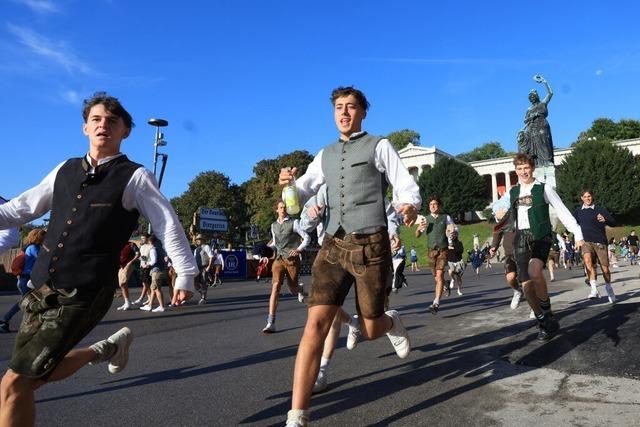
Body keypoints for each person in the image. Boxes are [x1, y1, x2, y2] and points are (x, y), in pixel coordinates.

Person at [0, 92, 197, 426]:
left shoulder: (135, 177)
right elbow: (22, 208)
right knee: (25, 381)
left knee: (15, 384)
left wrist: (186, 272)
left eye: (112, 120)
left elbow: (167, 225)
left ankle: (103, 349)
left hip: (85, 291)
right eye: (96, 119)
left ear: (125, 132)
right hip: (41, 287)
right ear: (85, 128)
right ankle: (104, 350)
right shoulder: (64, 170)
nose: (103, 124)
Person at [279, 86, 420, 426]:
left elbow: (404, 184)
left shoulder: (379, 145)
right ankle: (297, 415)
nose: (344, 113)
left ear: (362, 112)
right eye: (339, 107)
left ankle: (390, 321)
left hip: (371, 245)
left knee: (371, 330)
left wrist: (409, 204)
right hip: (332, 245)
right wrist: (288, 184)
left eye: (351, 107)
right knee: (314, 324)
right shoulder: (323, 154)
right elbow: (303, 191)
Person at [491, 153, 584, 342]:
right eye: (519, 168)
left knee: (535, 271)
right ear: (515, 170)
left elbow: (562, 210)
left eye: (526, 167)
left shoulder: (544, 188)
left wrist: (578, 233)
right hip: (520, 238)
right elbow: (498, 207)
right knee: (526, 286)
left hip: (540, 235)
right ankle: (543, 321)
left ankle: (547, 311)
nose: (523, 171)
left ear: (532, 168)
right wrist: (498, 211)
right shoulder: (513, 192)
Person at [262, 200, 310, 333]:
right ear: (276, 210)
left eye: (284, 207)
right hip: (279, 259)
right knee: (275, 287)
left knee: (292, 289)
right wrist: (265, 251)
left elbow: (306, 238)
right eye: (280, 207)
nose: (282, 209)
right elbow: (274, 243)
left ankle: (299, 289)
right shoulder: (273, 226)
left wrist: (299, 249)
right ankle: (270, 322)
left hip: (292, 260)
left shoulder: (294, 223)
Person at [573, 189, 616, 303]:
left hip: (600, 242)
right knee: (587, 261)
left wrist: (605, 219)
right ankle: (594, 289)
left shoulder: (599, 209)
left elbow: (613, 222)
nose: (587, 198)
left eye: (589, 196)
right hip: (586, 242)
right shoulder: (578, 211)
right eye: (585, 197)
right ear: (581, 198)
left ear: (592, 197)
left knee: (605, 269)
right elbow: (573, 225)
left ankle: (609, 288)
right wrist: (576, 240)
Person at [1, 228, 46, 333]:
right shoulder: (33, 248)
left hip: (26, 279)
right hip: (27, 280)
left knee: (26, 302)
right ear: (39, 237)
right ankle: (6, 321)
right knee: (28, 302)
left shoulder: (31, 248)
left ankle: (5, 321)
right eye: (44, 236)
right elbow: (42, 260)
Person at [415, 196, 456, 314]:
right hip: (431, 252)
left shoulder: (445, 217)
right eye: (431, 204)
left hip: (443, 250)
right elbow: (417, 235)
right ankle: (445, 284)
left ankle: (436, 302)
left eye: (435, 204)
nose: (433, 206)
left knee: (439, 276)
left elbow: (454, 228)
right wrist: (418, 229)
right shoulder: (425, 219)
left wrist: (453, 233)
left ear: (439, 206)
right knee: (437, 278)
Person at [491, 208, 524, 309]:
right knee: (510, 277)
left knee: (527, 281)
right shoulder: (506, 219)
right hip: (509, 253)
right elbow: (497, 232)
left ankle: (534, 308)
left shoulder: (523, 214)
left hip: (524, 251)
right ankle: (517, 291)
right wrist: (494, 247)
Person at [519, 76, 554, 169]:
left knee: (544, 143)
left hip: (542, 126)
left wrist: (544, 82)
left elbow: (550, 93)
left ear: (537, 96)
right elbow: (525, 120)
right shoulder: (529, 109)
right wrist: (531, 117)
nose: (532, 99)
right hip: (532, 130)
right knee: (535, 149)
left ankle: (547, 162)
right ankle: (537, 164)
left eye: (534, 97)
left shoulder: (543, 103)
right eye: (531, 98)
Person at [139, 234, 169, 312]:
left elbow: (154, 260)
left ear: (149, 241)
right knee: (153, 289)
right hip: (159, 270)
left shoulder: (153, 249)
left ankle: (162, 307)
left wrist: (147, 265)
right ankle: (150, 305)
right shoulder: (160, 248)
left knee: (157, 289)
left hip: (156, 271)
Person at [115, 239, 140, 311]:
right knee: (121, 284)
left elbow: (138, 254)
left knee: (123, 283)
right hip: (121, 266)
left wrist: (130, 262)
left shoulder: (131, 244)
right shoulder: (118, 246)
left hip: (129, 265)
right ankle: (127, 302)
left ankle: (127, 302)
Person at [132, 232, 153, 305]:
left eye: (144, 238)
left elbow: (152, 258)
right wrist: (141, 258)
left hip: (148, 267)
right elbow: (140, 257)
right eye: (141, 238)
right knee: (145, 284)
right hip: (142, 266)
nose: (142, 240)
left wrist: (146, 260)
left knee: (146, 284)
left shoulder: (151, 246)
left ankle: (141, 298)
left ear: (147, 238)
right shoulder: (142, 246)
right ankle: (150, 298)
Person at [193, 234, 213, 304]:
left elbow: (211, 257)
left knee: (203, 282)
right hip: (197, 267)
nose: (197, 241)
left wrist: (209, 267)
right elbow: (194, 259)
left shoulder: (206, 247)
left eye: (199, 239)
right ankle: (202, 292)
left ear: (203, 240)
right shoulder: (196, 250)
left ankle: (203, 298)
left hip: (205, 267)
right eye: (197, 240)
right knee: (195, 283)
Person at [447, 229, 465, 296]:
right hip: (450, 261)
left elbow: (461, 251)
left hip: (458, 261)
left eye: (453, 234)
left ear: (456, 235)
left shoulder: (459, 243)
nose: (451, 235)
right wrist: (447, 248)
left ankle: (459, 290)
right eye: (451, 234)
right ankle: (452, 279)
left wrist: (453, 248)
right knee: (450, 271)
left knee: (459, 277)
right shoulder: (448, 243)